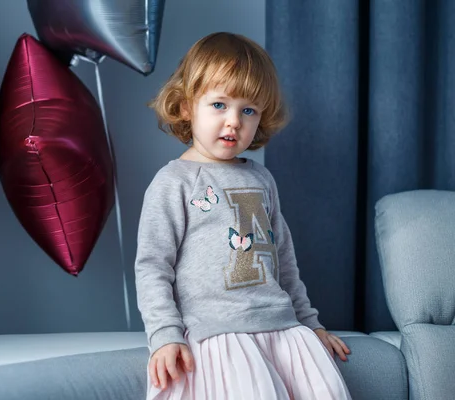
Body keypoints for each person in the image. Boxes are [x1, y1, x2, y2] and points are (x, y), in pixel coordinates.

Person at [134, 32, 352, 400]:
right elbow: (153, 266)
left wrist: (310, 324)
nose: (234, 121)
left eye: (248, 110)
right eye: (219, 104)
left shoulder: (261, 178)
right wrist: (164, 334)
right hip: (220, 333)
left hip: (283, 330)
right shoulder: (174, 182)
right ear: (187, 105)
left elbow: (283, 262)